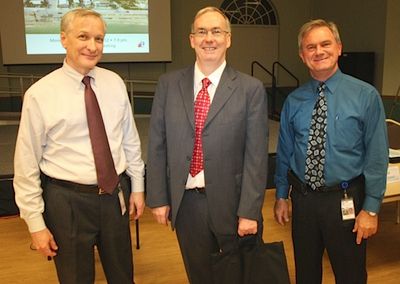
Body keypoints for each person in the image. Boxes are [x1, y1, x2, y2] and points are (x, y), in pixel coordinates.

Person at [13, 8, 145, 283]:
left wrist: (138, 188)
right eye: (83, 36)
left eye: (99, 38)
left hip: (114, 196)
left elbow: (130, 140)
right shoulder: (40, 94)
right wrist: (36, 225)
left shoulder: (115, 83)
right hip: (67, 202)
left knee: (124, 276)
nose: (92, 46)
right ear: (64, 39)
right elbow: (25, 164)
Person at [146, 6, 268, 284]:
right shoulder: (168, 84)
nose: (209, 38)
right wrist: (159, 197)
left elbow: (256, 157)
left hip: (233, 203)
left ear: (229, 39)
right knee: (198, 275)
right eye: (201, 32)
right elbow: (156, 144)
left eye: (216, 31)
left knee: (237, 275)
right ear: (191, 39)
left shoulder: (251, 89)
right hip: (186, 204)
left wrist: (249, 212)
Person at [274, 19, 388, 284]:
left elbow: (377, 156)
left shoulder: (366, 96)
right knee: (306, 274)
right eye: (310, 47)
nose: (318, 51)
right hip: (303, 201)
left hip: (346, 201)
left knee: (350, 275)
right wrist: (281, 195)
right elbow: (284, 152)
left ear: (338, 48)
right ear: (303, 56)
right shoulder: (294, 101)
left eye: (325, 44)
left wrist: (371, 209)